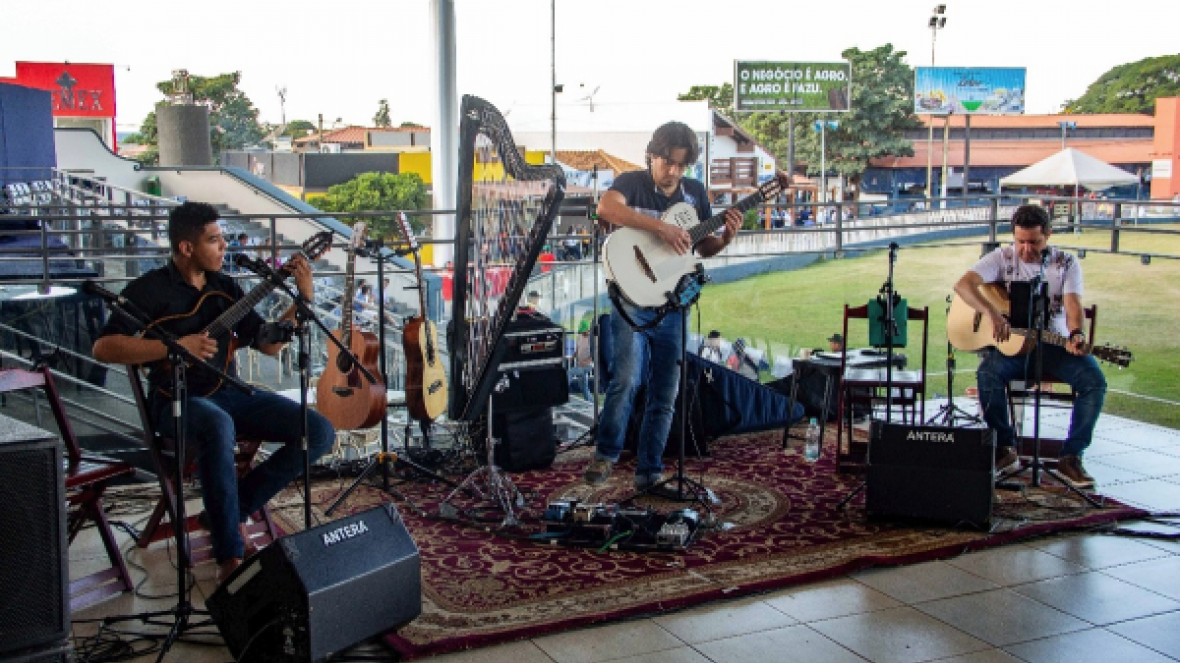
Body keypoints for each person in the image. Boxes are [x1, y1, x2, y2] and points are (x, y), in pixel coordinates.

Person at [92, 201, 335, 579]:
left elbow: (268, 344)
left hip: (230, 392)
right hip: (176, 400)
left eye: (223, 238)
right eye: (214, 240)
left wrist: (301, 301)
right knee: (217, 424)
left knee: (319, 431)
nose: (224, 247)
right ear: (186, 247)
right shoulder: (149, 290)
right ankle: (230, 558)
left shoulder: (225, 289)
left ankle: (229, 511)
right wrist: (173, 347)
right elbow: (103, 348)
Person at [583, 121, 751, 491]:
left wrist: (725, 239)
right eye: (666, 162)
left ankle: (650, 471)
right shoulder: (631, 182)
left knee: (666, 389)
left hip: (672, 303)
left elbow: (700, 249)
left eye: (680, 165)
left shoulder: (695, 193)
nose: (672, 171)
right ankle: (606, 454)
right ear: (652, 156)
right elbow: (606, 208)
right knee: (626, 379)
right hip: (629, 298)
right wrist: (661, 227)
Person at [952, 203, 1106, 489]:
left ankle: (1070, 457)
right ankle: (1005, 448)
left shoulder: (1066, 263)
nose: (1025, 249)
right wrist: (992, 313)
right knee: (988, 374)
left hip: (1055, 346)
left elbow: (1073, 303)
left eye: (1033, 242)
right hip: (1015, 348)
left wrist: (1076, 334)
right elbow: (963, 285)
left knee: (1094, 382)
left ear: (1048, 234)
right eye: (1020, 241)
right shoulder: (1002, 257)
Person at [568, 319, 595, 400]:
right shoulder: (580, 337)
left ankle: (563, 390)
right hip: (580, 364)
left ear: (588, 329)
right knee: (583, 387)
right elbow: (577, 349)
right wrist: (573, 357)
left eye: (584, 331)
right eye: (582, 331)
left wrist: (586, 361)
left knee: (570, 372)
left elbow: (594, 354)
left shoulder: (592, 339)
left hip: (588, 366)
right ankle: (591, 402)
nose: (583, 333)